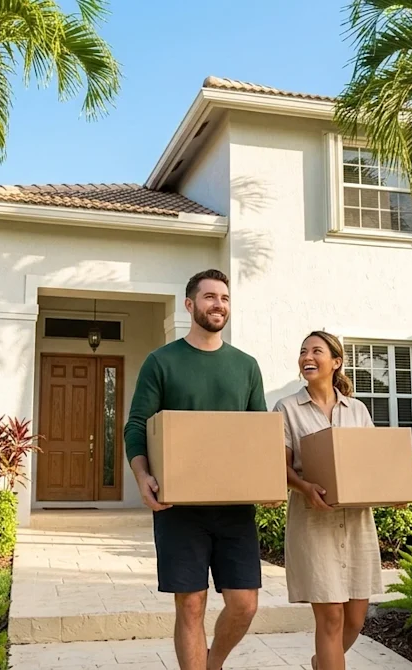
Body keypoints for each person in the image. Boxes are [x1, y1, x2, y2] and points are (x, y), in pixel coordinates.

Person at [123, 268, 267, 670]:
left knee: (245, 603)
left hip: (234, 505)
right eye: (209, 297)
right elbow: (137, 424)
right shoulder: (161, 361)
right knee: (190, 603)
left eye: (224, 298)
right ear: (190, 305)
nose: (218, 304)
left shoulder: (246, 366)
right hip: (178, 506)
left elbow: (258, 433)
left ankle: (212, 662)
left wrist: (268, 482)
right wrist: (142, 475)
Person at [273, 331, 384, 670]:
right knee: (331, 617)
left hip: (356, 523)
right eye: (303, 350)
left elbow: (373, 464)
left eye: (316, 351)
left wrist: (391, 493)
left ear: (336, 362)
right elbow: (281, 465)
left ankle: (321, 662)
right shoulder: (287, 408)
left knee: (355, 620)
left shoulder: (358, 410)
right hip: (313, 520)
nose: (307, 356)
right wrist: (305, 487)